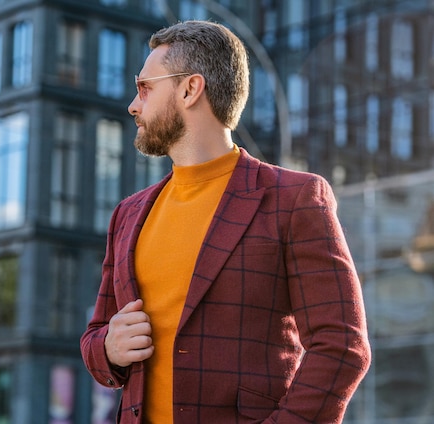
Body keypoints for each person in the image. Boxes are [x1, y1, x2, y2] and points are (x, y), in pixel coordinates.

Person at [80, 20, 371, 424]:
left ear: (189, 89)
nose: (133, 104)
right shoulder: (128, 214)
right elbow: (96, 335)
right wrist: (108, 349)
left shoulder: (294, 198)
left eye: (145, 88)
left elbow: (342, 346)